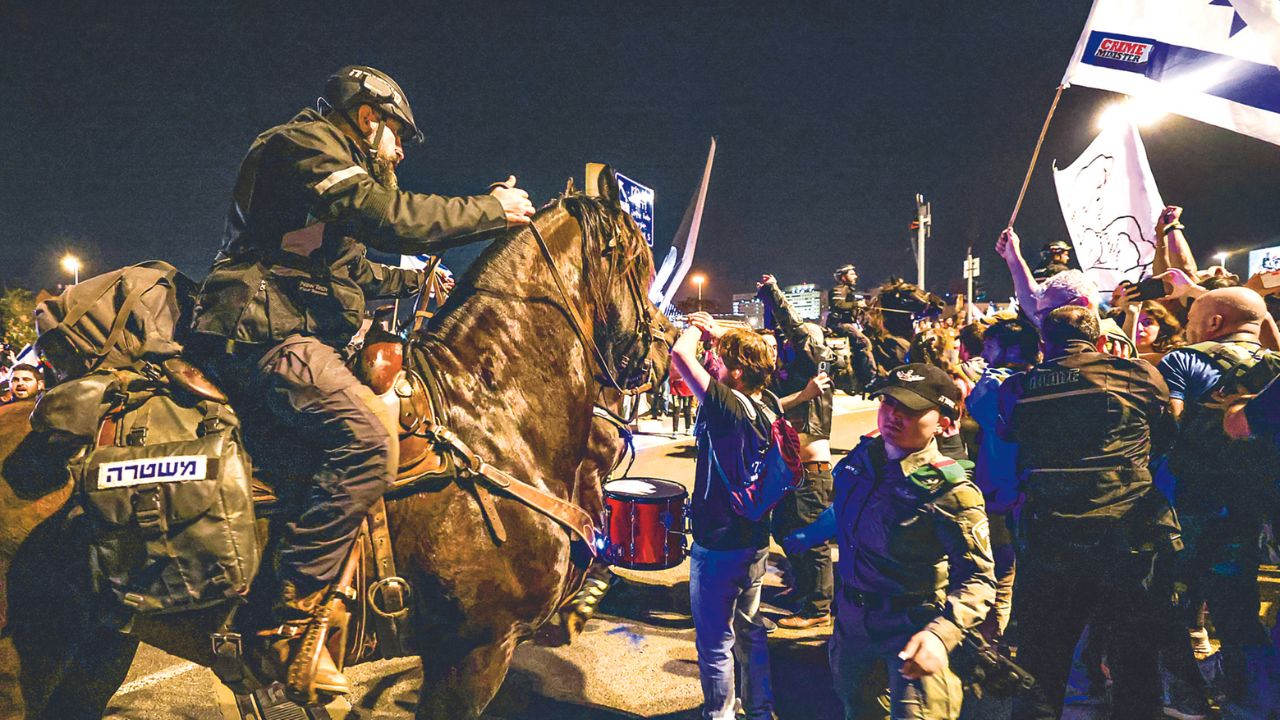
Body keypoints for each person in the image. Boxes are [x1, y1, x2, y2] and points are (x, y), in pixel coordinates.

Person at [188, 65, 536, 695]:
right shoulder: (301, 147)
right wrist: (489, 210)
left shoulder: (333, 180)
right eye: (398, 135)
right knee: (364, 442)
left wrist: (414, 283)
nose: (400, 151)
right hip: (262, 332)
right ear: (369, 118)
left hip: (299, 327)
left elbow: (353, 271)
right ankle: (286, 625)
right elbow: (384, 214)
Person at [997, 305, 1181, 719]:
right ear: (1100, 339)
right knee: (1134, 651)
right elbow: (1167, 436)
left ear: (1044, 343)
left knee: (1043, 656)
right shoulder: (1137, 373)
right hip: (1127, 531)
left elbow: (1010, 435)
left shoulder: (1020, 386)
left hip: (1051, 534)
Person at [785, 363, 995, 720]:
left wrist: (941, 635)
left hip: (911, 629)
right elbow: (847, 512)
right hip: (852, 624)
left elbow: (978, 578)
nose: (894, 415)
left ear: (943, 420)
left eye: (911, 410)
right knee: (858, 709)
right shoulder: (864, 458)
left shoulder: (951, 490)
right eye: (888, 403)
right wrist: (809, 534)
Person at [1157, 286, 1280, 707]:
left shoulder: (1183, 359)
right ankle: (1253, 701)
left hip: (1190, 504)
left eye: (1193, 320)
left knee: (1171, 600)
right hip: (1252, 506)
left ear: (1213, 323)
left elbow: (1168, 423)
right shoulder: (1277, 367)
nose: (1188, 329)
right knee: (1238, 609)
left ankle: (1186, 697)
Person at [672, 311, 784, 720]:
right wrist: (726, 337)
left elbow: (680, 357)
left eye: (718, 359)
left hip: (718, 544)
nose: (710, 361)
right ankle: (760, 709)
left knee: (715, 643)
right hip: (754, 540)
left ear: (736, 371)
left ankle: (719, 714)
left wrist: (696, 330)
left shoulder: (726, 407)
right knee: (750, 632)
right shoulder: (765, 406)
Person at [757, 274, 836, 629]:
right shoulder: (795, 380)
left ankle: (818, 609)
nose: (793, 343)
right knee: (784, 531)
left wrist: (774, 292)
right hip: (794, 472)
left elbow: (800, 333)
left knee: (813, 541)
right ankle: (804, 590)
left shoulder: (816, 368)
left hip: (812, 471)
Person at [964, 315, 1039, 644]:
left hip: (1001, 490)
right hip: (1033, 489)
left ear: (1008, 349)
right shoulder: (1041, 378)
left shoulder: (996, 382)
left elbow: (978, 410)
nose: (986, 352)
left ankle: (992, 640)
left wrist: (980, 377)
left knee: (999, 569)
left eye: (990, 346)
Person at [996, 228, 1137, 357]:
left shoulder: (1114, 345)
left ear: (1082, 304)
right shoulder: (1069, 333)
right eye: (1040, 313)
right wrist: (1012, 257)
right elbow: (1029, 298)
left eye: (1051, 313)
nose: (1043, 320)